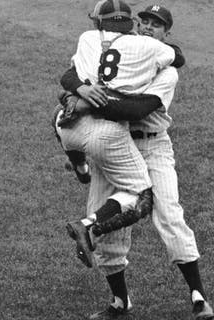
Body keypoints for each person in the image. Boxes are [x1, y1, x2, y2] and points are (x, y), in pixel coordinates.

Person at [61, 5, 214, 320]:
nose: (147, 27)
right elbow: (71, 76)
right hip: (114, 144)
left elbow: (138, 110)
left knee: (170, 216)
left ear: (166, 35)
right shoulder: (123, 52)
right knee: (104, 227)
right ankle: (120, 302)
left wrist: (89, 104)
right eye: (143, 21)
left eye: (156, 25)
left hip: (152, 146)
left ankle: (198, 296)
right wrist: (75, 92)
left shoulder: (167, 71)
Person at [55, 0, 182, 270]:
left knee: (58, 112)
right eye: (144, 22)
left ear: (99, 22)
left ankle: (78, 165)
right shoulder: (146, 47)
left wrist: (82, 93)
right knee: (141, 196)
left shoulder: (88, 38)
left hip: (68, 128)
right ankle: (88, 225)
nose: (147, 27)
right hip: (108, 134)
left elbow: (67, 77)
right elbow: (177, 58)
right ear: (132, 24)